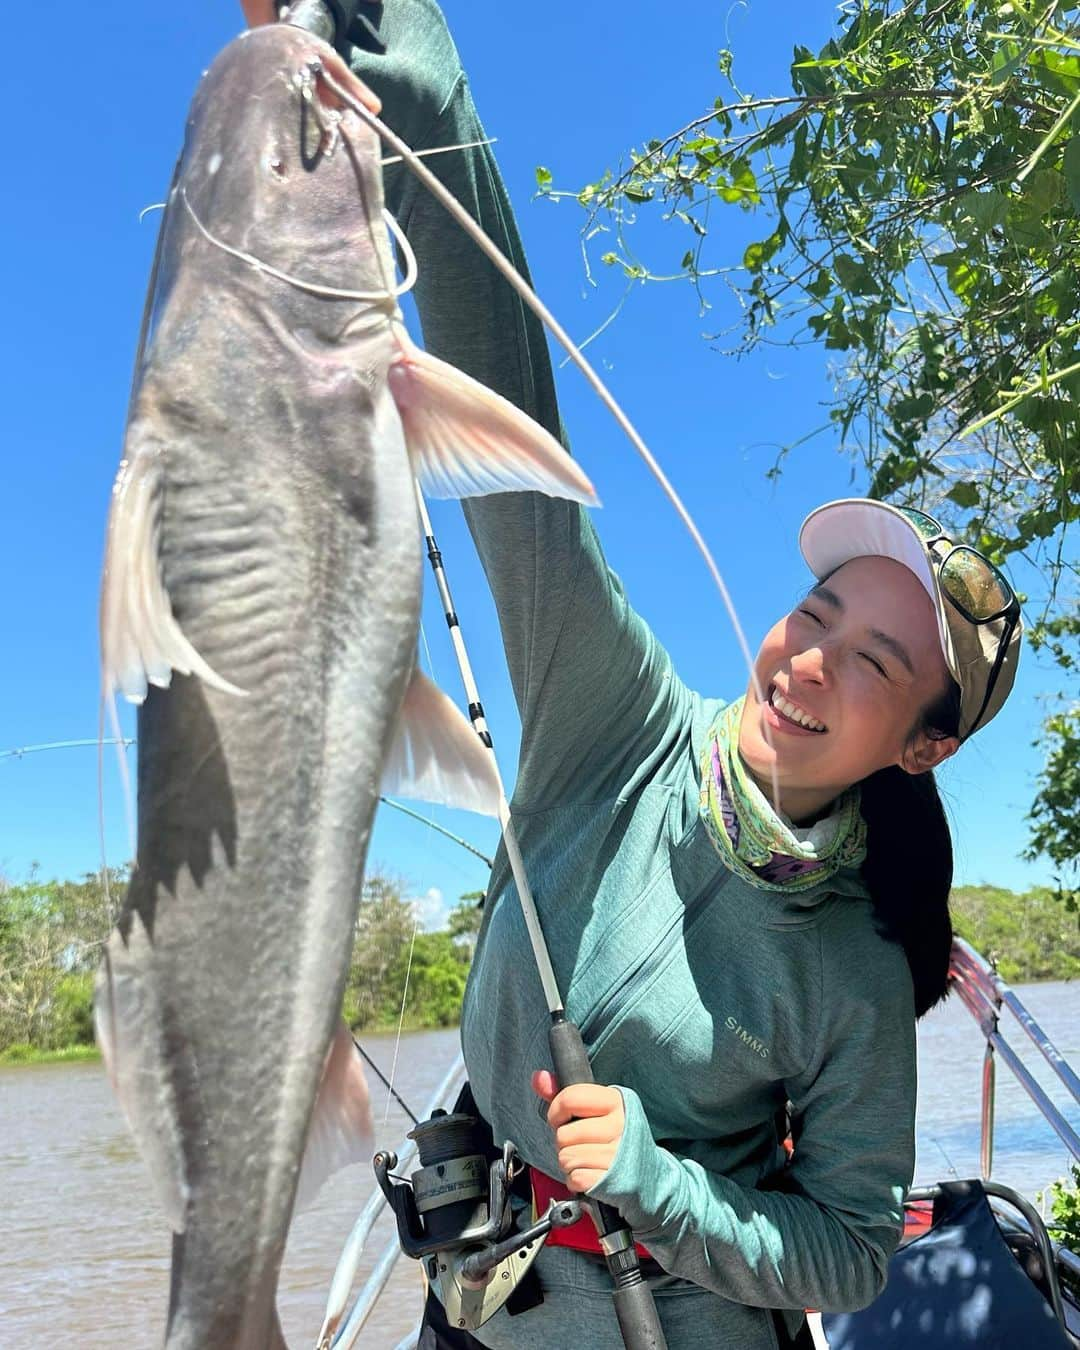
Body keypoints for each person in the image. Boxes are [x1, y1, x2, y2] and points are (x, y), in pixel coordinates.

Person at [238, 4, 1025, 1345]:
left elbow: (842, 1250)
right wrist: (386, 55)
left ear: (923, 745)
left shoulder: (850, 964)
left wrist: (653, 1178)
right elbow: (509, 377)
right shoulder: (613, 706)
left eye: (876, 660)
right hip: (479, 1301)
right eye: (817, 610)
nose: (810, 661)